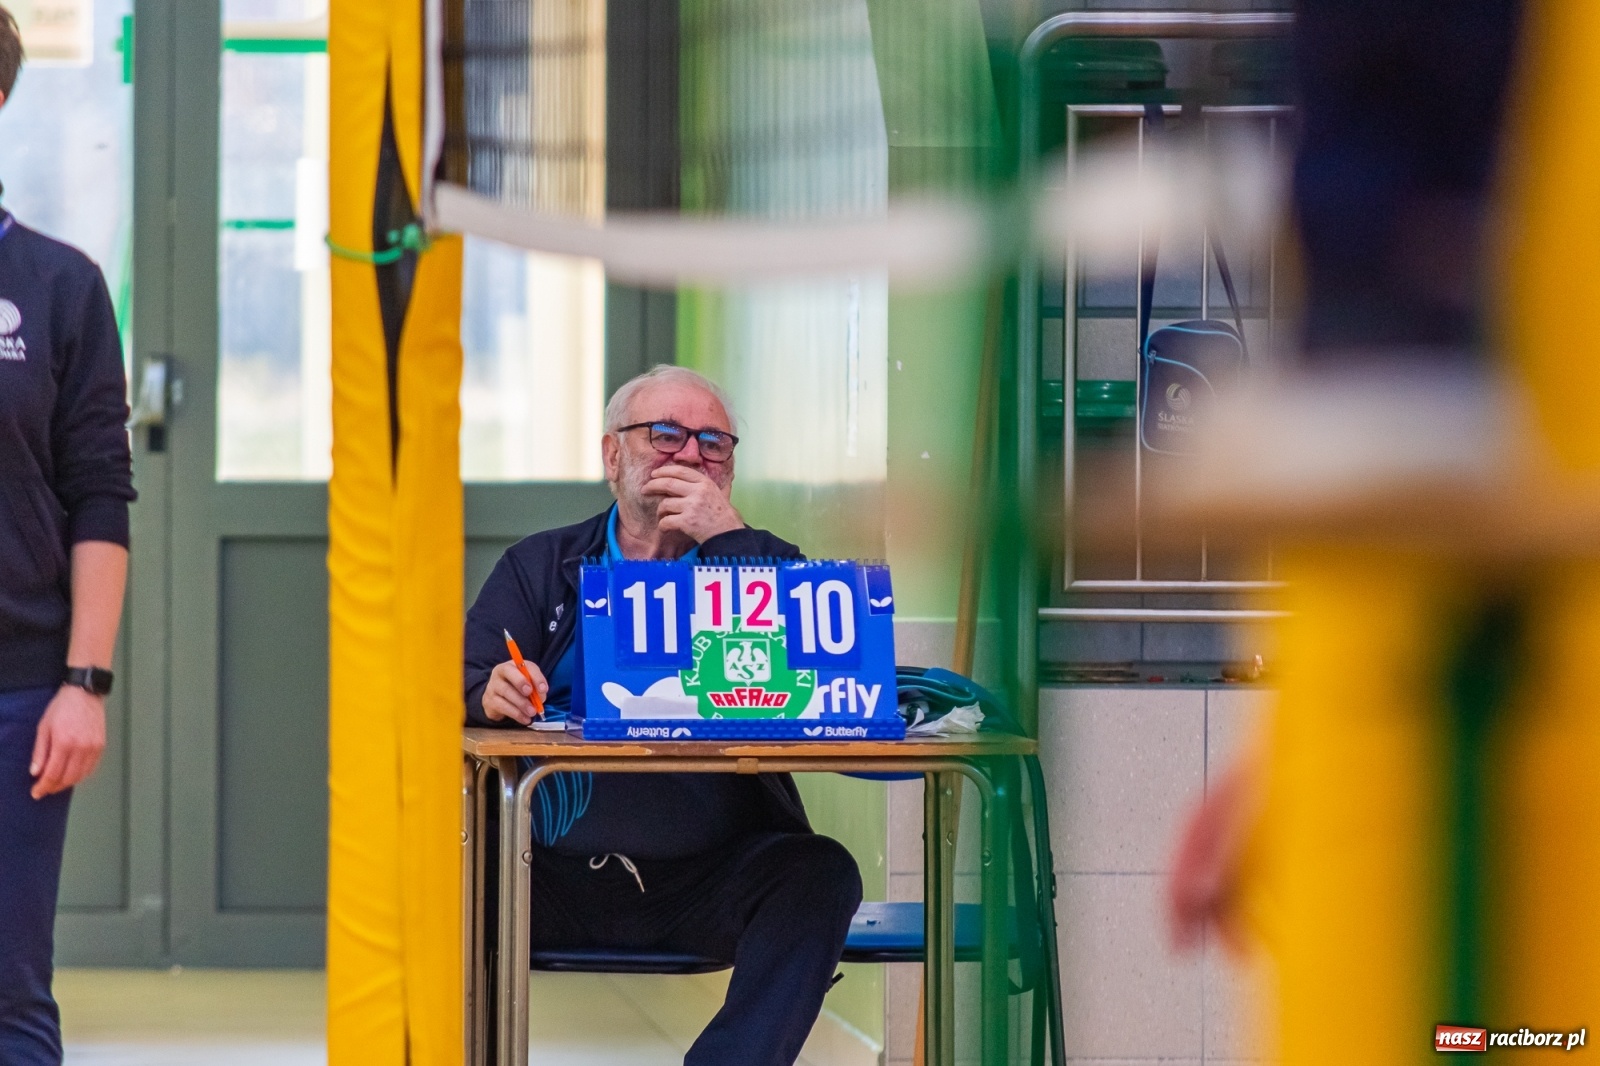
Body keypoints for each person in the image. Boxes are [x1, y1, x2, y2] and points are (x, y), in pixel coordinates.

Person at [464, 365, 862, 1066]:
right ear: (613, 456)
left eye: (713, 444)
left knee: (821, 872)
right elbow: (462, 683)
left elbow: (818, 683)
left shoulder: (767, 565)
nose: (690, 456)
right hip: (542, 878)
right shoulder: (540, 566)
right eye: (666, 435)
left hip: (708, 879)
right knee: (434, 868)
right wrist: (489, 694)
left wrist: (726, 540)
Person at [0, 10, 136, 1064]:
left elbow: (98, 490)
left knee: (8, 988)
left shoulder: (59, 286)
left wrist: (82, 681)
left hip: (16, 692)